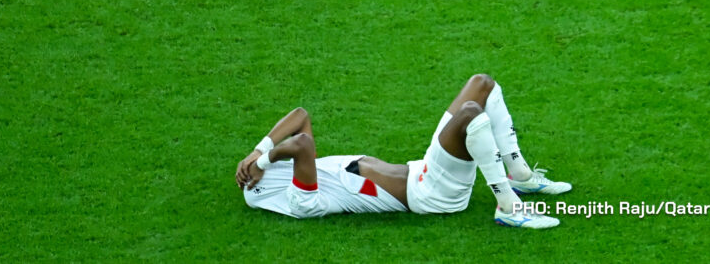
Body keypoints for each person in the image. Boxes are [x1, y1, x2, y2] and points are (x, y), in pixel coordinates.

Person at [235, 74, 572, 227]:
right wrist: (263, 160)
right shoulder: (303, 203)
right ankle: (509, 207)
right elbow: (302, 145)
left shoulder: (296, 175)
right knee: (471, 113)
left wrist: (257, 151)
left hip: (423, 171)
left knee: (482, 84)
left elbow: (300, 117)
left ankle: (520, 176)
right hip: (433, 195)